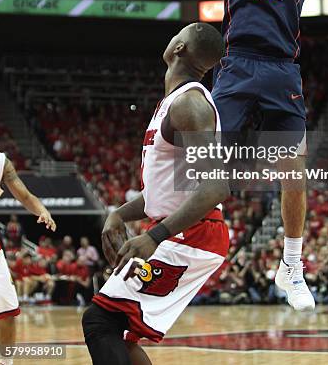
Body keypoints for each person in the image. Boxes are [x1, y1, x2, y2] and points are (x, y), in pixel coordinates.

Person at [211, 0, 314, 311]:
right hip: (238, 63)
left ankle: (292, 265)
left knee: (295, 168)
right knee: (207, 166)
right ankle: (173, 241)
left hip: (281, 69)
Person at [82, 22, 230, 365]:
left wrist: (155, 236)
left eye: (176, 34)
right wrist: (118, 213)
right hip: (185, 230)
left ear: (179, 47)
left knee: (100, 321)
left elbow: (215, 186)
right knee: (121, 337)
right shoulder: (172, 104)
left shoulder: (189, 105)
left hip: (193, 234)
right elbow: (160, 195)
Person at [0, 152, 56, 365]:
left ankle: (6, 363)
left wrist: (42, 211)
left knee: (8, 313)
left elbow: (25, 196)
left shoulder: (0, 162)